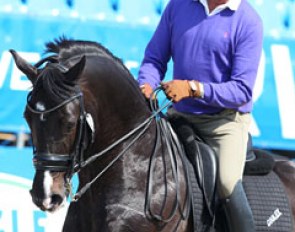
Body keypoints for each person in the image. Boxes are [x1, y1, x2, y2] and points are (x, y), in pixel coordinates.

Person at [137, 0, 263, 231]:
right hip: (180, 115)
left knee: (226, 182)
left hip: (223, 122)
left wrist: (193, 88)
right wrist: (146, 83)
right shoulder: (178, 6)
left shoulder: (249, 21)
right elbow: (154, 59)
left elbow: (242, 90)